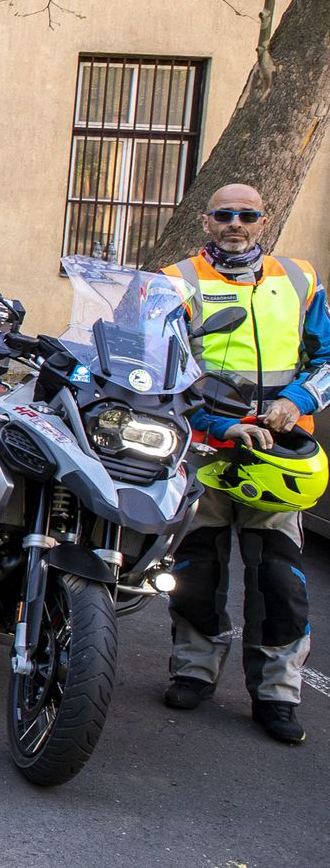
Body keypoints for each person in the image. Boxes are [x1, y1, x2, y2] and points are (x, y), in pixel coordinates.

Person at [158, 182, 327, 745]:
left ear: (264, 220)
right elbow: (162, 374)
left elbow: (326, 358)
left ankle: (277, 695)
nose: (236, 223)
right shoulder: (176, 281)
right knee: (195, 570)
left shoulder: (301, 280)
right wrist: (216, 425)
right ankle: (193, 671)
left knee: (280, 579)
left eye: (246, 215)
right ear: (206, 221)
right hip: (206, 451)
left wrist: (296, 402)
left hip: (277, 459)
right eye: (224, 214)